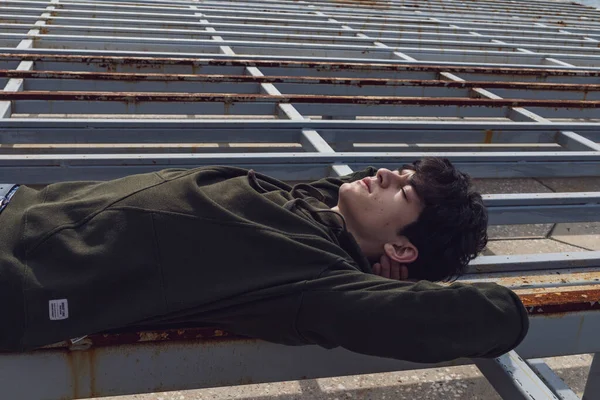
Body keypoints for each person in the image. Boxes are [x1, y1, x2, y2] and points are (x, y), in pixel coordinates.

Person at [0, 157, 528, 362]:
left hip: (15, 277)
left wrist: (400, 283)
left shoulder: (314, 279)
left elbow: (495, 315)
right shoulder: (309, 208)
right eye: (404, 170)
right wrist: (383, 245)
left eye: (406, 192)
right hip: (19, 201)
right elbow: (342, 196)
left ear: (402, 249)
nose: (389, 173)